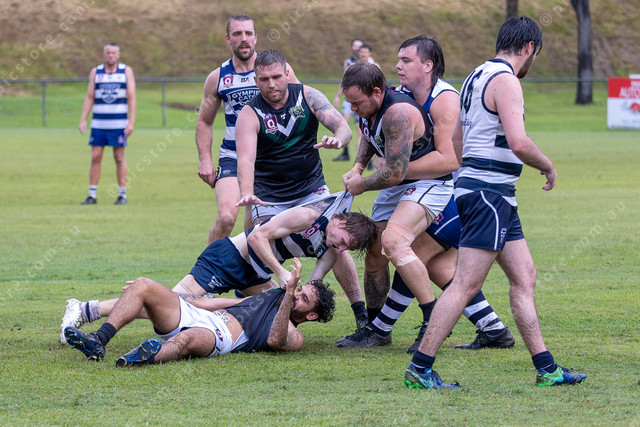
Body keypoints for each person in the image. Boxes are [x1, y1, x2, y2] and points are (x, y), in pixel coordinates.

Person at [404, 17, 586, 389]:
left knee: (524, 276)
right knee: (465, 284)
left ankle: (547, 369)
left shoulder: (476, 76)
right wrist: (547, 165)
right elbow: (518, 142)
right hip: (490, 194)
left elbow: (456, 141)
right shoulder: (506, 80)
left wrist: (470, 178)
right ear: (530, 47)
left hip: (490, 193)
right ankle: (420, 368)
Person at [337, 36, 514, 352]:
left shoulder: (444, 100)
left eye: (406, 60)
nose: (397, 65)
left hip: (454, 190)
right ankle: (493, 328)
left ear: (428, 65)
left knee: (405, 248)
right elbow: (370, 130)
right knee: (399, 255)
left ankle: (393, 327)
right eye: (398, 59)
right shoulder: (393, 94)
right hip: (407, 183)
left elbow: (450, 160)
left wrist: (393, 170)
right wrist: (363, 165)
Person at [59, 192, 377, 343]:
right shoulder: (308, 217)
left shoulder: (333, 246)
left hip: (257, 274)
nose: (341, 249)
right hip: (229, 258)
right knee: (174, 304)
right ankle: (85, 308)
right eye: (343, 241)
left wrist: (297, 300)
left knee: (266, 311)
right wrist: (280, 274)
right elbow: (257, 237)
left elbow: (314, 285)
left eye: (348, 248)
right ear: (340, 222)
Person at [340, 62, 459, 354]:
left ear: (376, 92)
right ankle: (375, 330)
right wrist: (357, 167)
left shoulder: (398, 114)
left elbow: (393, 173)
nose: (353, 108)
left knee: (394, 240)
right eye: (350, 103)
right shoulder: (369, 109)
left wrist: (361, 184)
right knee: (374, 252)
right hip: (399, 184)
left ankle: (433, 320)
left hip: (429, 184)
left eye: (357, 103)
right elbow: (369, 136)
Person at [63, 259, 336, 365]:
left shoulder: (295, 336)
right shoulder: (272, 296)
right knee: (144, 284)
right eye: (300, 290)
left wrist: (288, 295)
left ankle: (144, 358)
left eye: (303, 297)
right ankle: (98, 341)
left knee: (186, 340)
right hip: (204, 316)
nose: (296, 293)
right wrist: (167, 296)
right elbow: (213, 304)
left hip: (221, 336)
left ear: (311, 315)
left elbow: (276, 339)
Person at [196, 14, 300, 244]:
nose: (243, 38)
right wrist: (205, 159)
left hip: (270, 157)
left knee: (255, 225)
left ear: (255, 37)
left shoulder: (278, 70)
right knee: (226, 217)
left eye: (248, 33)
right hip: (232, 155)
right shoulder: (218, 77)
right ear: (228, 38)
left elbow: (300, 105)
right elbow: (204, 122)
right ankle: (207, 265)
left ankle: (250, 265)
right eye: (237, 34)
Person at [235, 49, 351, 224]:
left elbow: (344, 128)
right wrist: (247, 193)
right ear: (255, 81)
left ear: (287, 74)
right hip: (269, 198)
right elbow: (245, 160)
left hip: (312, 190)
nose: (271, 84)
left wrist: (338, 139)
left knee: (334, 234)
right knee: (266, 237)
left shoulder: (308, 97)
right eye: (264, 79)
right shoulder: (249, 114)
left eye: (276, 77)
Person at [79, 42, 136, 205]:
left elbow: (131, 97)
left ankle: (122, 195)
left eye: (113, 53)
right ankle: (92, 195)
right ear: (104, 55)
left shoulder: (125, 71)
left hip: (118, 124)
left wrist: (131, 122)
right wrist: (83, 119)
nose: (110, 55)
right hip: (99, 124)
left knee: (119, 157)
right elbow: (90, 96)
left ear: (118, 55)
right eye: (108, 53)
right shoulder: (96, 72)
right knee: (95, 156)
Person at [332, 39, 378, 162]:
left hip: (363, 102)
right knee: (343, 125)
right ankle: (345, 153)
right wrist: (338, 96)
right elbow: (344, 82)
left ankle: (364, 160)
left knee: (360, 131)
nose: (363, 54)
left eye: (365, 52)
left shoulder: (374, 66)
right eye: (361, 51)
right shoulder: (351, 66)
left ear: (369, 53)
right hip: (349, 101)